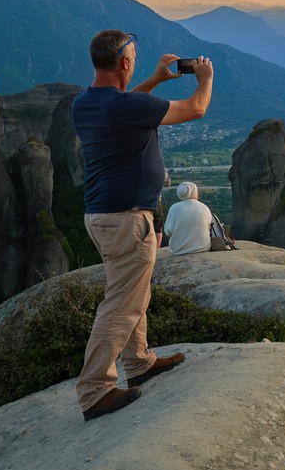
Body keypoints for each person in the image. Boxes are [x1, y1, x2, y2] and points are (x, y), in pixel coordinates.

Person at [71, 30, 211, 421]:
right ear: (125, 64)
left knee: (134, 289)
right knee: (121, 303)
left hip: (103, 216)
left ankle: (139, 362)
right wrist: (205, 79)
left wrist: (156, 80)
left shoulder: (84, 102)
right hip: (127, 219)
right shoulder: (123, 108)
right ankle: (95, 389)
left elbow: (126, 101)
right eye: (132, 58)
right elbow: (196, 109)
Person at [162, 181, 215, 255]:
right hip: (203, 248)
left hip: (179, 250)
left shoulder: (174, 208)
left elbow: (168, 231)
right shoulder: (204, 207)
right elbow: (210, 228)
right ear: (193, 192)